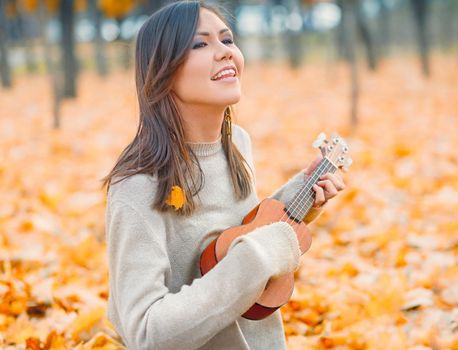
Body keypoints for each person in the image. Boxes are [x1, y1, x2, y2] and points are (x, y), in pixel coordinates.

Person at [101, 1, 345, 349]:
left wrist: (299, 199)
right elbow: (146, 333)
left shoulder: (237, 144)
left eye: (227, 40)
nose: (224, 53)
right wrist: (258, 257)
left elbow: (233, 236)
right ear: (162, 71)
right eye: (200, 44)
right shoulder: (138, 184)